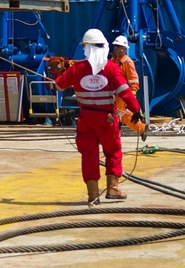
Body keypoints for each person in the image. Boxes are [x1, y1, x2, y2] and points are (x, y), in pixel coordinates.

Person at [50, 28, 144, 205]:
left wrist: (55, 76)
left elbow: (58, 86)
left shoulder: (77, 69)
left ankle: (93, 195)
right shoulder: (111, 68)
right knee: (113, 151)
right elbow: (125, 92)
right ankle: (113, 189)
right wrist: (136, 109)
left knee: (89, 155)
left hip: (86, 119)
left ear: (85, 48)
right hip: (107, 119)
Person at [111, 35, 146, 138]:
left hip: (122, 94)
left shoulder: (127, 62)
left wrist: (133, 93)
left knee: (115, 114)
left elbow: (133, 79)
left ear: (124, 48)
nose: (116, 48)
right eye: (115, 46)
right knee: (124, 115)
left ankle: (115, 138)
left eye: (119, 46)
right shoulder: (112, 61)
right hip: (113, 93)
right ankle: (141, 128)